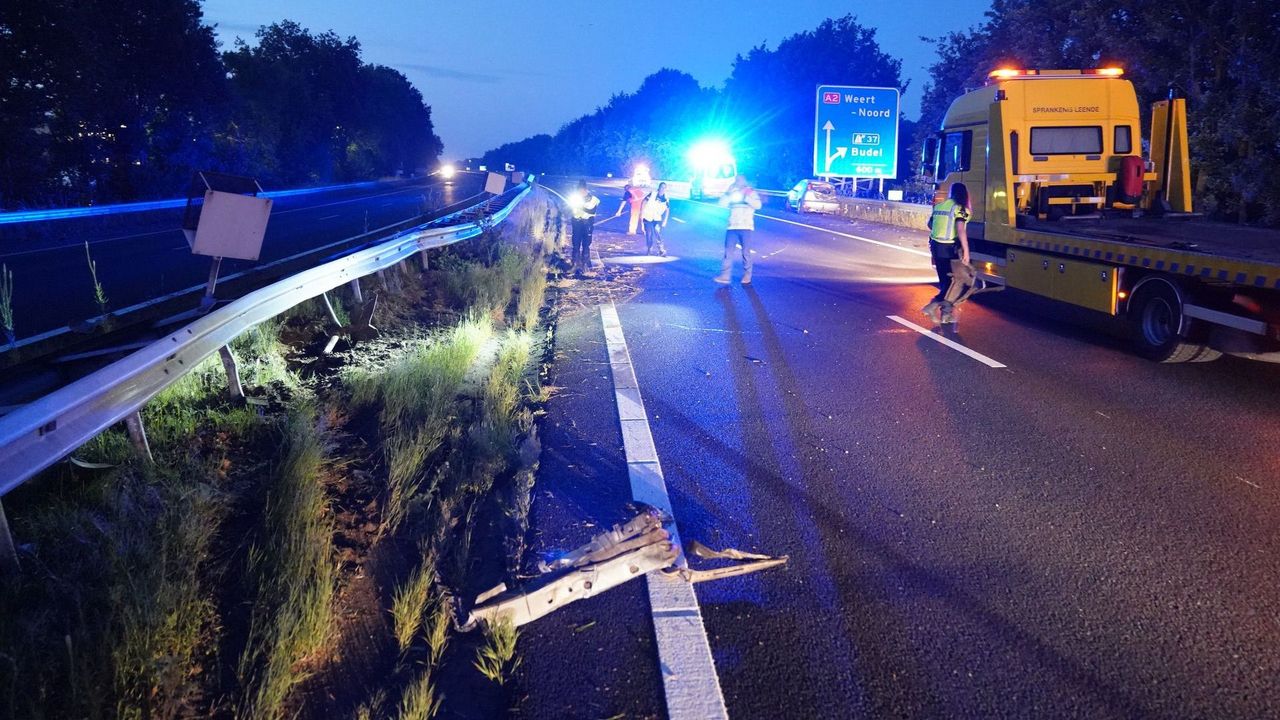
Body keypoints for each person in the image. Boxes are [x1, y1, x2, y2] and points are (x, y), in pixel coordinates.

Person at [923, 182, 972, 323]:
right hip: (948, 249)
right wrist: (966, 252)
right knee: (955, 283)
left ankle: (946, 315)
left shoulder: (939, 206)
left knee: (945, 282)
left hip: (935, 247)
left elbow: (930, 224)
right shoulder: (960, 209)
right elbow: (961, 230)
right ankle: (933, 306)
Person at [714, 175, 762, 285]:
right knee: (728, 252)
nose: (737, 182)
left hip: (746, 227)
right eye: (736, 180)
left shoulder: (750, 192)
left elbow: (758, 205)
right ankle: (725, 276)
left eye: (739, 180)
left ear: (744, 181)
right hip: (732, 227)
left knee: (746, 253)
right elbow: (721, 204)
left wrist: (745, 197)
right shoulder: (733, 192)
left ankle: (747, 275)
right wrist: (728, 192)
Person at [568, 180, 600, 275]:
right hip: (576, 222)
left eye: (582, 190)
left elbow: (592, 211)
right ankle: (575, 264)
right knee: (576, 243)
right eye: (579, 191)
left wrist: (581, 207)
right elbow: (569, 209)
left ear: (586, 190)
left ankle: (585, 264)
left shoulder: (594, 199)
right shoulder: (574, 198)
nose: (580, 193)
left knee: (586, 244)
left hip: (587, 223)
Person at [640, 182, 670, 256]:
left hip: (657, 218)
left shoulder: (666, 198)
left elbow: (667, 209)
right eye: (662, 187)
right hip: (647, 216)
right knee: (649, 234)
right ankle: (649, 248)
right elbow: (644, 201)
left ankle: (661, 250)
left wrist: (665, 220)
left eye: (664, 188)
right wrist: (641, 213)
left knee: (658, 232)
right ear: (659, 188)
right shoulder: (652, 194)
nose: (663, 189)